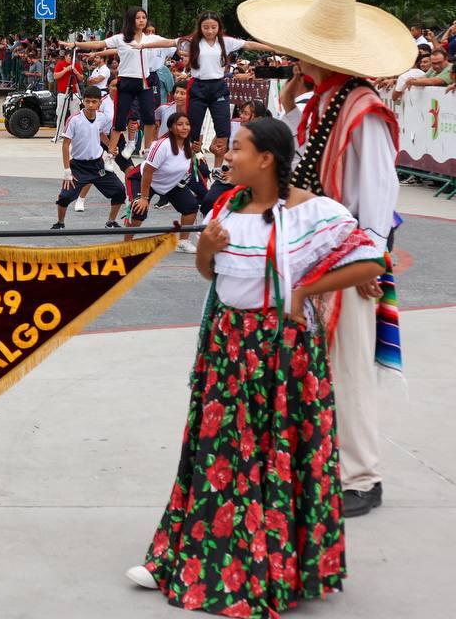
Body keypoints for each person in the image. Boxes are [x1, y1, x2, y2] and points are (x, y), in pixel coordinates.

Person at [128, 117, 385, 616]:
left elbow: (372, 260)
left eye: (239, 148)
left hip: (280, 353)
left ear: (266, 159)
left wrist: (307, 291)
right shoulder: (226, 205)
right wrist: (206, 249)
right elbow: (211, 274)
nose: (227, 155)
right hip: (227, 348)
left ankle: (267, 564)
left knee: (271, 455)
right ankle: (192, 554)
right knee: (217, 454)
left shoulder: (313, 211)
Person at [238, 0, 409, 518]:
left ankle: (361, 476)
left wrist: (369, 262)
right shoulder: (323, 102)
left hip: (349, 258)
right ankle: (326, 465)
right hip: (318, 255)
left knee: (350, 366)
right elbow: (292, 150)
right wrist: (291, 99)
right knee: (318, 365)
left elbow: (377, 195)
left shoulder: (362, 111)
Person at [135, 11, 273, 165]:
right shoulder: (192, 41)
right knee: (192, 131)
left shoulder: (225, 42)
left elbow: (248, 44)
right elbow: (168, 43)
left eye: (213, 27)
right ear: (200, 27)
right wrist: (143, 46)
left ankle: (217, 169)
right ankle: (187, 166)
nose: (210, 31)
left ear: (219, 27)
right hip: (198, 87)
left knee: (223, 130)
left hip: (218, 87)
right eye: (206, 27)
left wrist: (272, 48)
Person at [65, 7, 166, 158]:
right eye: (138, 18)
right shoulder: (121, 38)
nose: (141, 20)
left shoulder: (150, 39)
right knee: (119, 121)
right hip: (126, 81)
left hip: (144, 82)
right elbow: (100, 44)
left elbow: (171, 43)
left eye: (144, 17)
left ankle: (147, 151)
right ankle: (111, 155)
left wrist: (188, 40)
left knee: (149, 118)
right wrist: (76, 44)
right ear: (131, 20)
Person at [51, 86, 126, 229]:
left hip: (98, 166)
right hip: (78, 166)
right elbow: (65, 145)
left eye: (94, 102)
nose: (91, 105)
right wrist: (67, 171)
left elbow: (101, 133)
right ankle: (60, 223)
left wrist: (110, 146)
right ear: (83, 101)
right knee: (64, 197)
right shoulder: (74, 120)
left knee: (120, 191)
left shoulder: (102, 118)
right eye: (87, 101)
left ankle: (111, 222)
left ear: (99, 103)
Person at [126, 111, 201, 252]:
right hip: (144, 179)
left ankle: (183, 242)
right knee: (139, 210)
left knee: (191, 206)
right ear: (171, 128)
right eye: (180, 124)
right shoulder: (162, 145)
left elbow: (181, 163)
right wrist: (144, 198)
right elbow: (148, 171)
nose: (184, 127)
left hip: (169, 183)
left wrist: (194, 153)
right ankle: (126, 245)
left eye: (187, 124)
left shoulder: (189, 145)